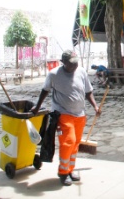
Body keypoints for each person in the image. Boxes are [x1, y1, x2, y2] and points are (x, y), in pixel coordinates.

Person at [30, 50, 100, 186]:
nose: (75, 65)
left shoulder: (81, 72)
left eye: (76, 62)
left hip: (80, 114)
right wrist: (38, 107)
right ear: (64, 63)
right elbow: (45, 90)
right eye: (71, 63)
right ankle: (62, 172)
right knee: (68, 141)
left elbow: (88, 91)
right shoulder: (54, 74)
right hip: (62, 113)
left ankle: (70, 170)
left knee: (75, 144)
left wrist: (95, 106)